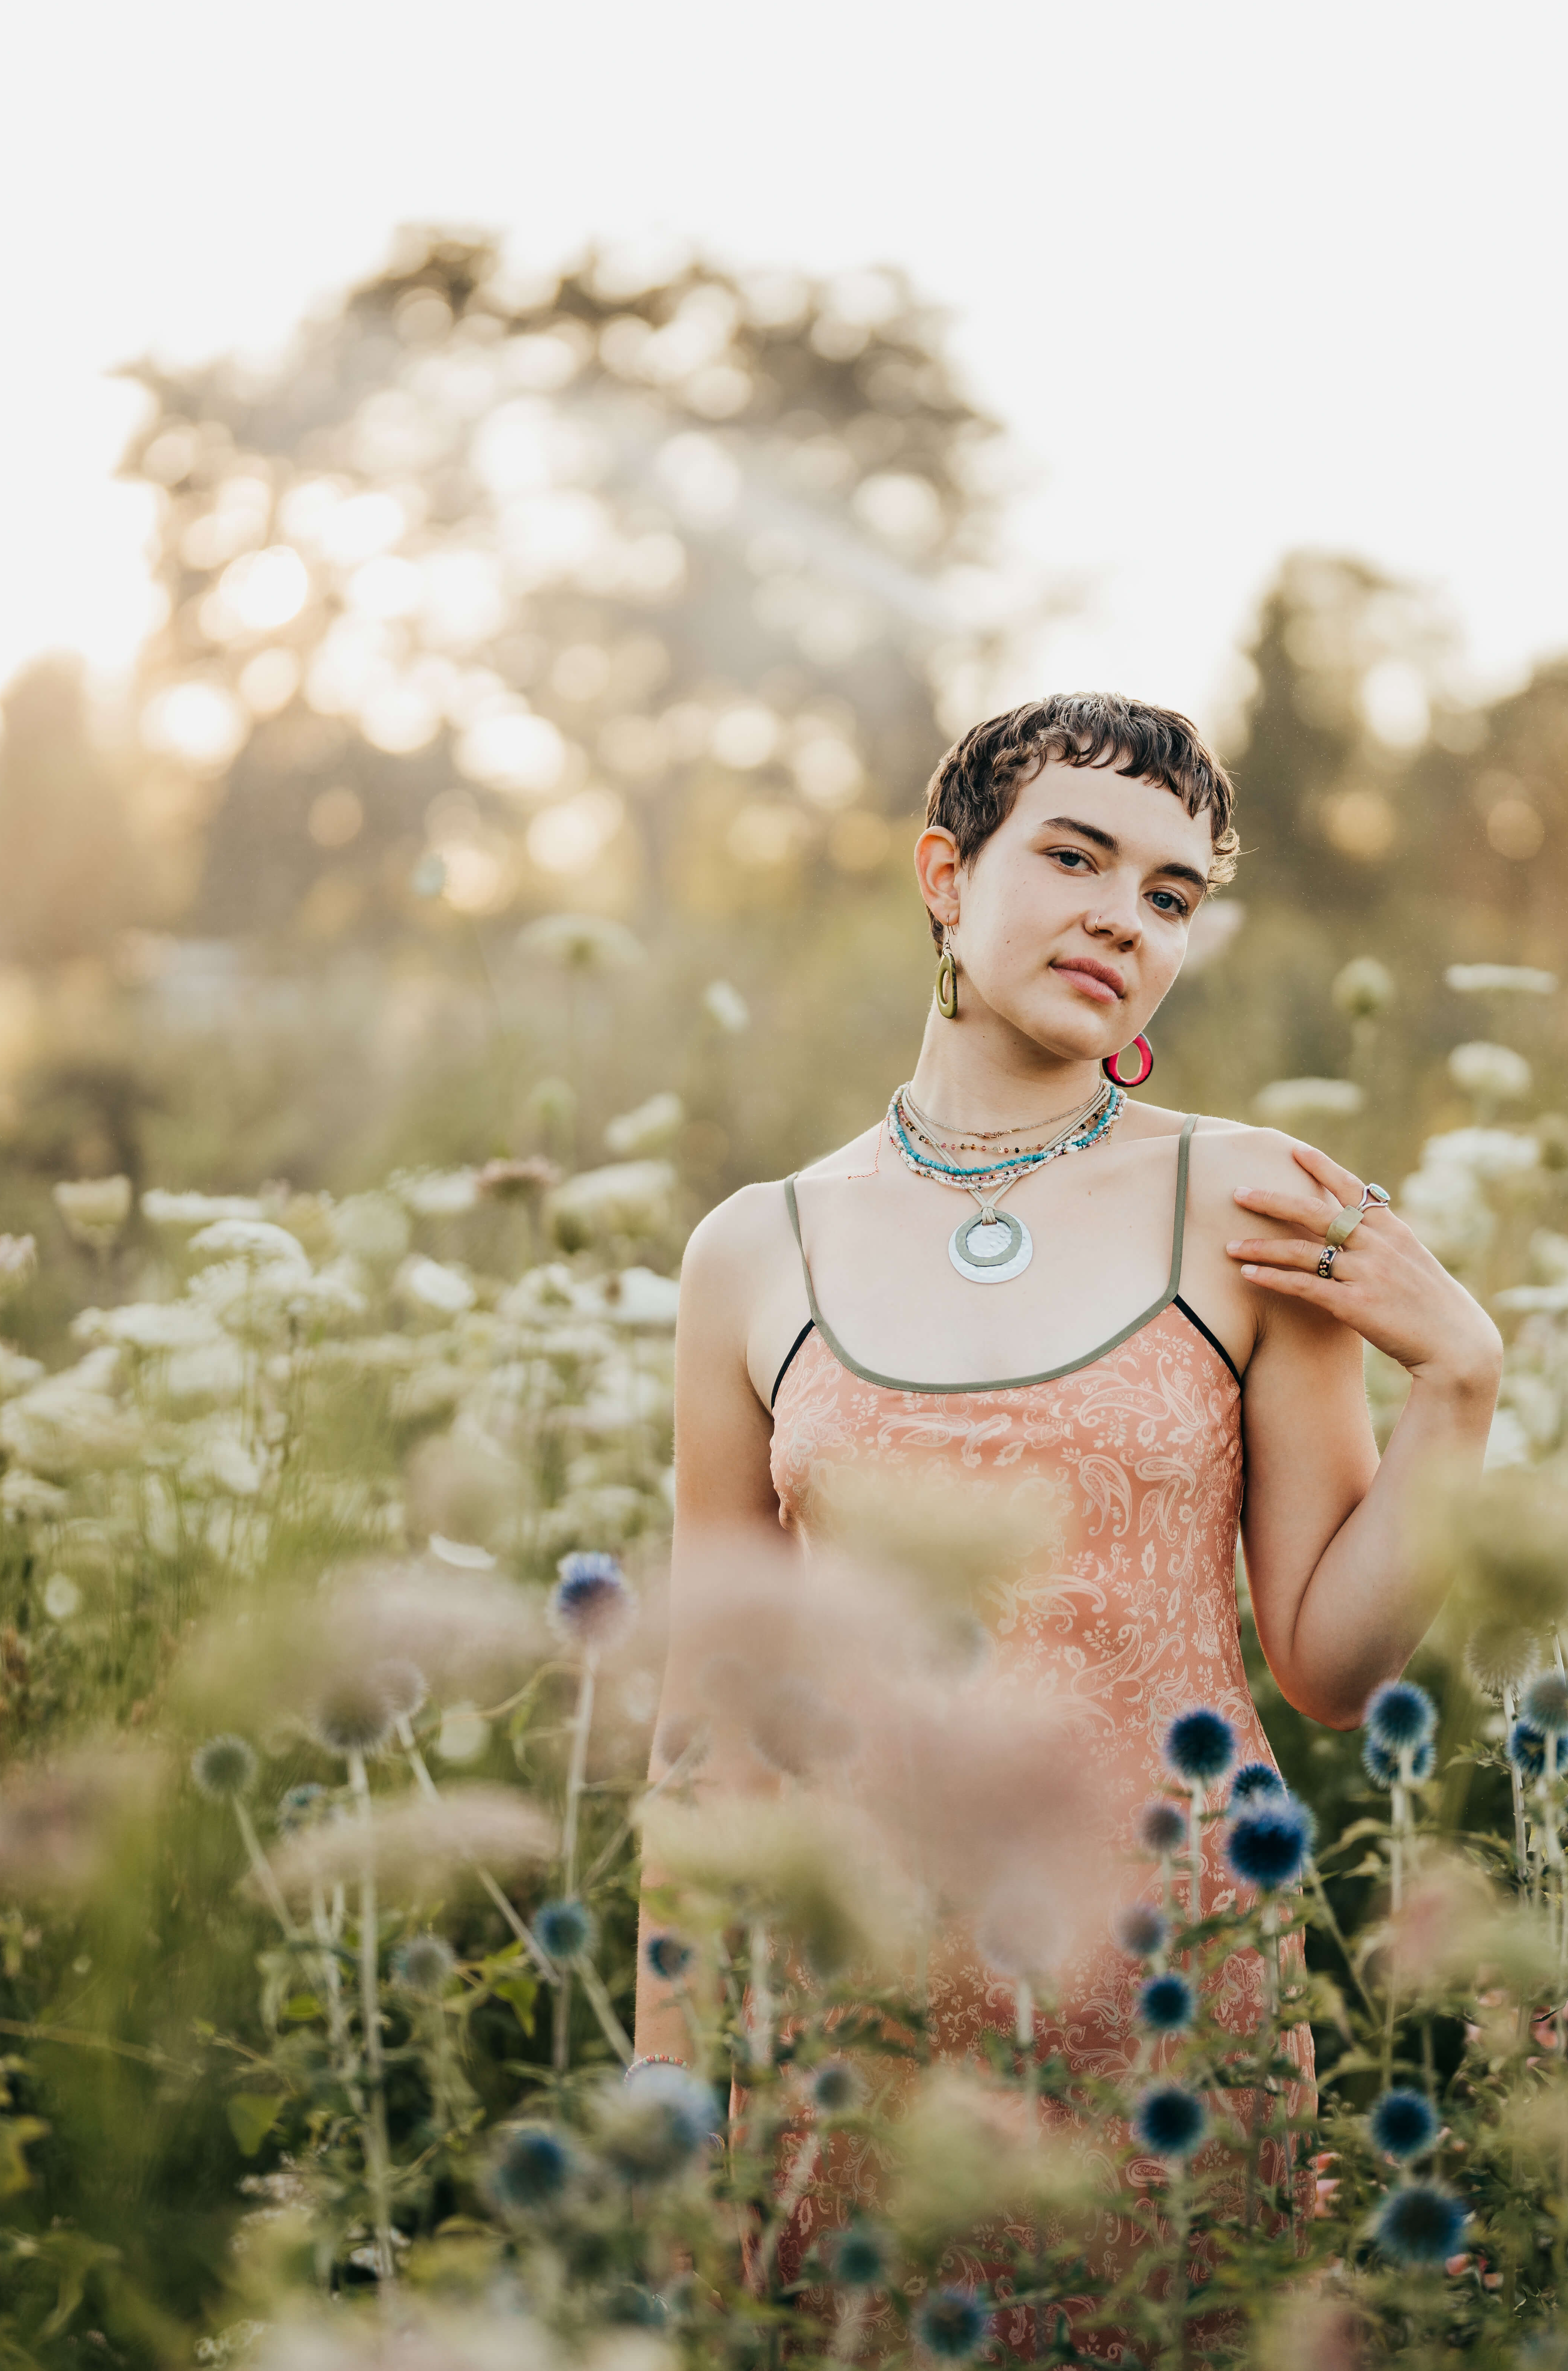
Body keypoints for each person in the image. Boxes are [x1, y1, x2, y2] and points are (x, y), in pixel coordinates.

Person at [630, 692, 1503, 2312]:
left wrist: (1460, 1385)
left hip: (1174, 2006)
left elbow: (1327, 1661)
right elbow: (714, 1715)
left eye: (1171, 896)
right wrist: (673, 2100)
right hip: (856, 2031)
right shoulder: (755, 1249)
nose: (1125, 915)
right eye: (1078, 856)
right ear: (947, 875)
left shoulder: (1252, 1200)